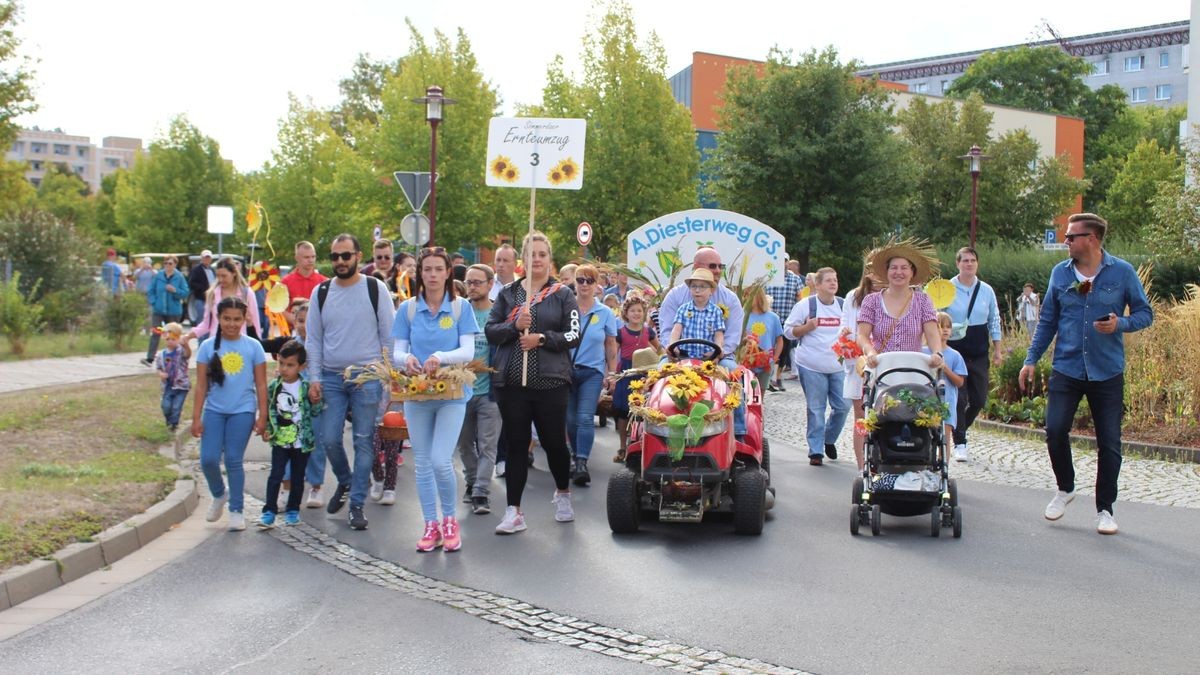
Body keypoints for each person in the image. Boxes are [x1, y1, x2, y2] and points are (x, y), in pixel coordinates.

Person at [1019, 213, 1152, 536]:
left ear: (1091, 239)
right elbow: (1048, 319)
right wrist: (1031, 359)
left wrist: (1120, 323)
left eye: (1071, 237)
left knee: (1110, 443)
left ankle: (1105, 509)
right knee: (1055, 430)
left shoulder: (1122, 272)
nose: (1065, 241)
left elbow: (1146, 314)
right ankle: (1065, 488)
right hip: (1067, 367)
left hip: (1107, 371)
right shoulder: (1059, 274)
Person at [486, 231, 580, 534]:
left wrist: (542, 338)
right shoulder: (508, 294)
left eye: (542, 254)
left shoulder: (563, 294)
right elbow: (491, 331)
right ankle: (514, 510)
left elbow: (573, 334)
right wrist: (515, 325)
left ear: (549, 259)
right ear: (522, 260)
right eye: (531, 254)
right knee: (516, 445)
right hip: (512, 384)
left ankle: (563, 491)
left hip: (551, 383)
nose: (536, 259)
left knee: (554, 444)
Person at [306, 234, 396, 532]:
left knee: (362, 440)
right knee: (329, 438)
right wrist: (315, 378)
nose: (340, 262)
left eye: (346, 256)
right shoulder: (320, 292)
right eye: (335, 256)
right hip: (331, 377)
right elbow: (314, 340)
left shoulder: (375, 288)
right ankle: (345, 482)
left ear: (358, 256)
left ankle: (356, 504)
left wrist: (388, 376)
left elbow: (389, 335)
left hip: (367, 377)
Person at [392, 247, 478, 552]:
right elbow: (397, 352)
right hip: (417, 394)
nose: (432, 275)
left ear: (447, 273)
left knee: (442, 460)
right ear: (420, 273)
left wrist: (439, 357)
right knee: (424, 463)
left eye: (438, 269)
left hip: (451, 394)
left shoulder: (460, 308)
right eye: (426, 269)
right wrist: (409, 359)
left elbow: (468, 351)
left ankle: (450, 521)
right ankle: (431, 524)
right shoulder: (408, 310)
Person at [190, 296, 268, 531]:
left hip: (242, 410)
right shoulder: (206, 347)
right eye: (226, 319)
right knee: (209, 459)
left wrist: (262, 415)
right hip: (214, 410)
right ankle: (219, 494)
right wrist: (196, 417)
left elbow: (261, 384)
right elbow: (201, 385)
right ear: (218, 318)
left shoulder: (253, 346)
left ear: (245, 318)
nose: (232, 324)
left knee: (233, 460)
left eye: (237, 319)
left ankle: (236, 509)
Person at [657, 247, 746, 435]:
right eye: (712, 266)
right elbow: (668, 331)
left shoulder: (729, 299)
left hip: (717, 356)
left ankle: (738, 432)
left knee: (734, 376)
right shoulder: (676, 297)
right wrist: (672, 350)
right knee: (658, 374)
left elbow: (731, 335)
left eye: (720, 266)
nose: (717, 271)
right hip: (680, 356)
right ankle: (652, 425)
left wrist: (717, 353)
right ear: (697, 267)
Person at [785, 267, 848, 466]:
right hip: (811, 364)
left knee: (843, 407)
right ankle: (816, 451)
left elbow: (854, 330)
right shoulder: (806, 305)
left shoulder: (843, 305)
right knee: (816, 408)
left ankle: (828, 439)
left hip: (838, 365)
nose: (833, 283)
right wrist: (807, 327)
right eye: (828, 280)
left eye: (835, 279)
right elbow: (788, 331)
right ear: (817, 285)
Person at [945, 247, 1003, 462]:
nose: (969, 264)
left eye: (972, 261)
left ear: (977, 264)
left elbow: (994, 319)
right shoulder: (948, 289)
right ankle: (960, 441)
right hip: (956, 349)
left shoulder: (986, 290)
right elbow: (937, 317)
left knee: (978, 399)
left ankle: (959, 429)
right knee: (959, 398)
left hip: (979, 350)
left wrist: (997, 349)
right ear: (958, 263)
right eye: (965, 261)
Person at [453, 264, 501, 515]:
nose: (471, 287)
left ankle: (481, 492)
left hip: (490, 393)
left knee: (487, 445)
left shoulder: (498, 314)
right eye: (468, 282)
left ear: (490, 284)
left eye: (477, 282)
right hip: (460, 392)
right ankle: (472, 480)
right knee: (463, 444)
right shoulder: (458, 312)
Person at [259, 339, 322, 528]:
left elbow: (315, 413)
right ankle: (269, 510)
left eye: (290, 365)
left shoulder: (305, 387)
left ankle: (293, 509)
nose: (285, 369)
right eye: (282, 364)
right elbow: (270, 409)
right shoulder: (274, 386)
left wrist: (316, 401)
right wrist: (268, 429)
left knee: (297, 477)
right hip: (280, 441)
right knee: (276, 475)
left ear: (302, 367)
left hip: (301, 442)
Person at [566, 264, 619, 487]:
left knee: (585, 417)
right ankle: (575, 455)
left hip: (592, 372)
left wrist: (612, 372)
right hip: (566, 372)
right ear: (574, 283)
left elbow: (610, 344)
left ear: (597, 284)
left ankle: (581, 462)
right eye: (580, 280)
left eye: (590, 280)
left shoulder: (605, 312)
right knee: (569, 419)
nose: (585, 285)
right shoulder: (565, 308)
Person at [856, 241, 944, 371]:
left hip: (913, 370)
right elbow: (862, 335)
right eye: (894, 268)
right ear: (887, 272)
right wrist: (870, 352)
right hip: (882, 368)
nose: (898, 272)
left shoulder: (923, 300)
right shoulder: (871, 301)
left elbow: (932, 333)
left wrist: (937, 353)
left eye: (904, 268)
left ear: (912, 272)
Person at [840, 268, 883, 471]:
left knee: (884, 413)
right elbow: (845, 327)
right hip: (860, 360)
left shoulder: (894, 295)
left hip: (885, 360)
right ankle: (861, 467)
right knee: (861, 414)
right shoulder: (854, 296)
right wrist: (847, 335)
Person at [611, 292, 661, 462]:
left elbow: (659, 349)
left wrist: (657, 361)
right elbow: (613, 354)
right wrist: (611, 375)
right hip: (626, 372)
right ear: (626, 313)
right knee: (624, 411)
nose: (636, 314)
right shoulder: (621, 332)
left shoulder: (648, 331)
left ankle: (641, 445)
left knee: (643, 410)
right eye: (633, 311)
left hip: (644, 373)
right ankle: (622, 447)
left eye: (639, 311)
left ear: (644, 312)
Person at [184, 257, 262, 343]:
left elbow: (255, 322)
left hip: (241, 344)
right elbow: (206, 324)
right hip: (217, 343)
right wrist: (188, 336)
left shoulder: (247, 293)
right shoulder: (212, 293)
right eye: (218, 276)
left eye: (224, 276)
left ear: (234, 273)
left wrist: (258, 345)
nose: (220, 279)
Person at [924, 312, 967, 451]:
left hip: (947, 400)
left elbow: (960, 382)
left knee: (945, 435)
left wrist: (946, 369)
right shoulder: (923, 352)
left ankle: (944, 465)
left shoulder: (955, 355)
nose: (946, 330)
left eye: (948, 326)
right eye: (941, 326)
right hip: (927, 399)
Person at [142, 256, 190, 366]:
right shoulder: (159, 275)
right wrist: (154, 302)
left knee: (172, 334)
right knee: (156, 332)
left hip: (173, 312)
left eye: (170, 263)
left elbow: (185, 292)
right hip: (159, 311)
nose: (167, 265)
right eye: (166, 263)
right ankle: (150, 358)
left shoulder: (179, 277)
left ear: (175, 265)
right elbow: (151, 290)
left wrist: (175, 290)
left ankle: (175, 357)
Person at [668, 268, 725, 360]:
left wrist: (717, 350)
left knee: (730, 367)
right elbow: (676, 330)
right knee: (661, 367)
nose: (697, 290)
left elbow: (719, 335)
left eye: (702, 287)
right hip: (683, 357)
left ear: (711, 291)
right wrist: (673, 344)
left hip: (707, 357)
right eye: (694, 286)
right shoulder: (683, 309)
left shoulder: (716, 311)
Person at [765, 261, 804, 391]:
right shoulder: (768, 277)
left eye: (785, 261)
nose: (783, 264)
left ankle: (778, 377)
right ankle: (769, 377)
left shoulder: (795, 279)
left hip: (788, 320)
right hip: (769, 320)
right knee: (768, 348)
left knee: (784, 351)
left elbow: (799, 298)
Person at [745, 287, 784, 397]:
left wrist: (775, 358)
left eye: (749, 295)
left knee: (760, 394)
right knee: (747, 392)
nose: (746, 298)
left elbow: (780, 340)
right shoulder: (743, 315)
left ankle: (758, 414)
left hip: (766, 361)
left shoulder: (773, 317)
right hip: (747, 360)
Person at [154, 322, 191, 432]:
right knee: (165, 406)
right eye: (168, 339)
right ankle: (168, 420)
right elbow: (158, 367)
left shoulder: (180, 351)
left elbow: (187, 355)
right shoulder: (161, 355)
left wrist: (186, 345)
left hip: (181, 386)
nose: (170, 341)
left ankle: (173, 425)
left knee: (176, 407)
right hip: (168, 386)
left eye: (173, 339)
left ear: (178, 338)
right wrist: (161, 374)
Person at [187, 250, 215, 325]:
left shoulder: (212, 270)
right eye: (205, 257)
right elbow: (192, 283)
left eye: (208, 258)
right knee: (202, 321)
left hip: (212, 299)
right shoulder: (196, 269)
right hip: (201, 299)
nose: (207, 259)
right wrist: (205, 288)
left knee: (212, 321)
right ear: (201, 258)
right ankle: (201, 337)